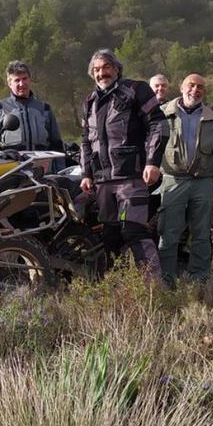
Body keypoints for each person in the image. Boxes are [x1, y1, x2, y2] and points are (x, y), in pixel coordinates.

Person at [79, 49, 167, 277]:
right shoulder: (89, 101)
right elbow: (86, 140)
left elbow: (158, 124)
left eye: (106, 67)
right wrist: (86, 173)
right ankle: (120, 287)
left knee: (134, 231)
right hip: (102, 180)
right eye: (96, 70)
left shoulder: (136, 89)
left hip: (132, 175)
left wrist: (152, 162)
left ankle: (154, 289)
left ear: (116, 68)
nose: (101, 73)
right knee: (110, 237)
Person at [158, 74, 213, 285]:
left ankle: (200, 278)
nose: (196, 90)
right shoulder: (162, 114)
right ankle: (166, 281)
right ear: (181, 87)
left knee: (202, 233)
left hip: (202, 182)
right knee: (168, 233)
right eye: (191, 85)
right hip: (172, 180)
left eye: (200, 87)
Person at [0, 60, 64, 155]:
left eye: (24, 79)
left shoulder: (45, 109)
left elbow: (57, 145)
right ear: (9, 83)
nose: (21, 84)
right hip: (12, 166)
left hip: (42, 165)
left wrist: (59, 167)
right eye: (17, 80)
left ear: (30, 79)